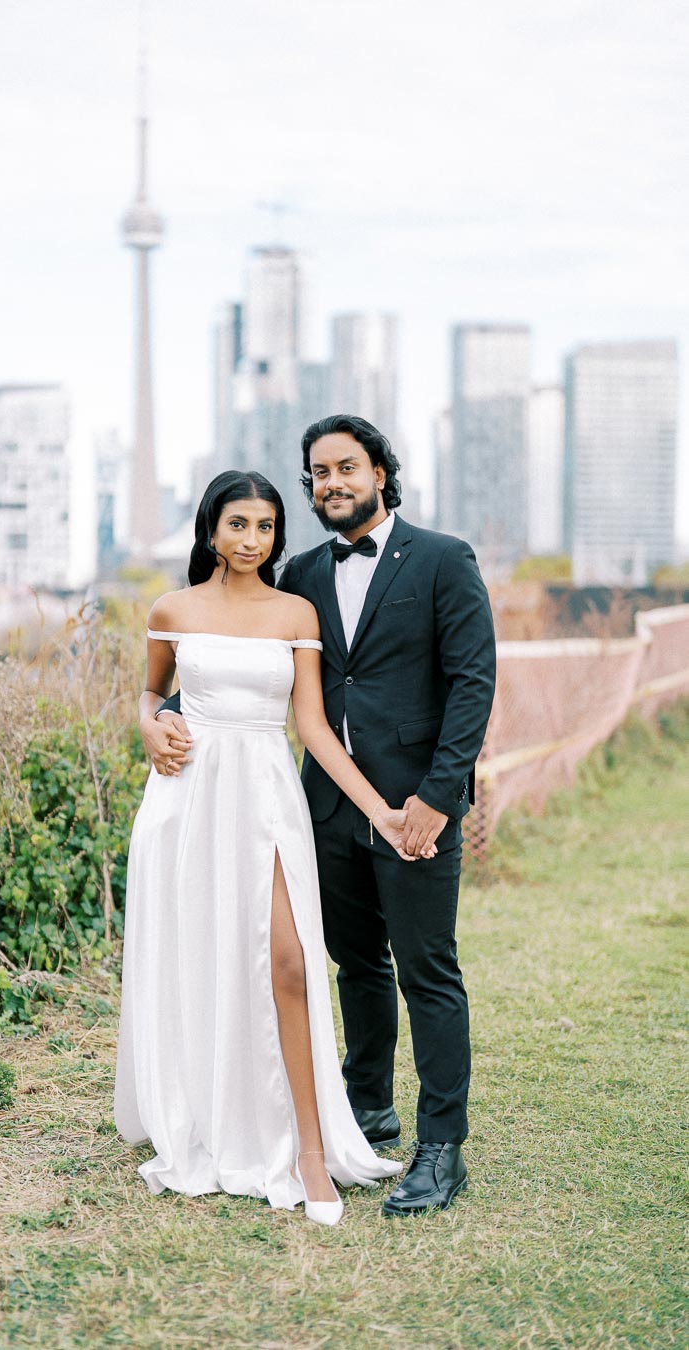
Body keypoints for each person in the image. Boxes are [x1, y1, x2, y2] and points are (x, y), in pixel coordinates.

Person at [148, 417, 496, 1216]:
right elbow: (226, 664)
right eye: (318, 473)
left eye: (346, 467)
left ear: (380, 471)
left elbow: (473, 684)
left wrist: (437, 801)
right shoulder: (295, 570)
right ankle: (367, 1105)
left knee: (427, 969)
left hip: (415, 807)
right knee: (354, 965)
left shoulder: (444, 560)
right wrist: (158, 716)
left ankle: (441, 1148)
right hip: (317, 807)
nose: (331, 482)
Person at [114, 469, 430, 1225]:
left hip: (266, 796)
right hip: (187, 801)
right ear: (211, 531)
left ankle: (311, 1153)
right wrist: (149, 726)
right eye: (237, 525)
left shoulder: (296, 612)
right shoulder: (172, 608)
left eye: (264, 527)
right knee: (203, 960)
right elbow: (149, 694)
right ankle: (208, 1117)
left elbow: (313, 728)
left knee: (289, 962)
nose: (251, 540)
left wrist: (382, 812)